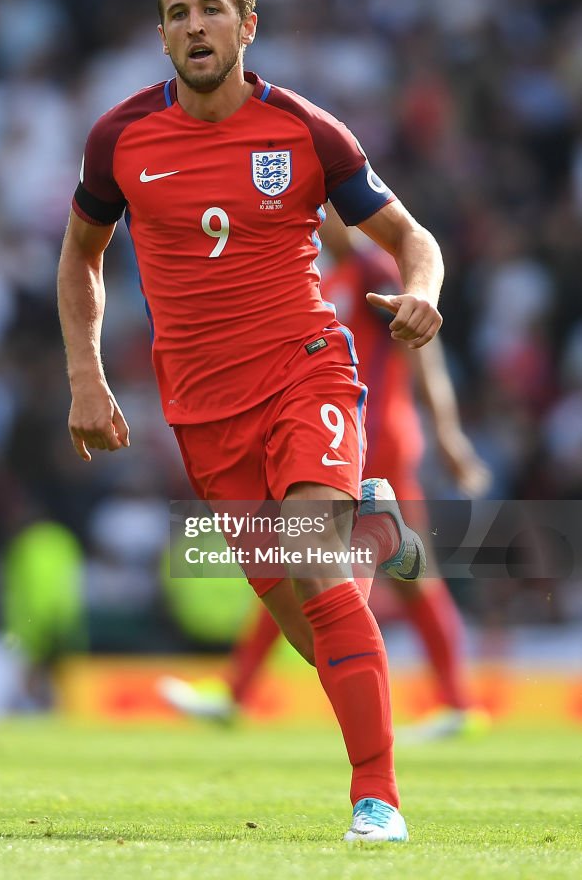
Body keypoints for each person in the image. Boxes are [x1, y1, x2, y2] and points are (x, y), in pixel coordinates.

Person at [57, 0, 444, 843]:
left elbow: (411, 236)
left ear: (247, 25)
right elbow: (81, 256)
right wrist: (86, 372)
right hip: (201, 410)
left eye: (213, 9)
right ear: (162, 36)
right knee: (304, 613)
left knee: (313, 558)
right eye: (180, 13)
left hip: (306, 367)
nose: (197, 25)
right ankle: (372, 531)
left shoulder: (306, 131)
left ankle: (376, 800)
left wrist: (423, 293)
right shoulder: (120, 139)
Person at [159, 211, 492, 740]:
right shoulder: (327, 277)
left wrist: (447, 432)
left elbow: (420, 350)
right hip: (345, 434)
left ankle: (238, 691)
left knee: (312, 563)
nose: (316, 221)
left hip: (368, 439)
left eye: (325, 211)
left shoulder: (370, 271)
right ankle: (456, 702)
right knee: (341, 567)